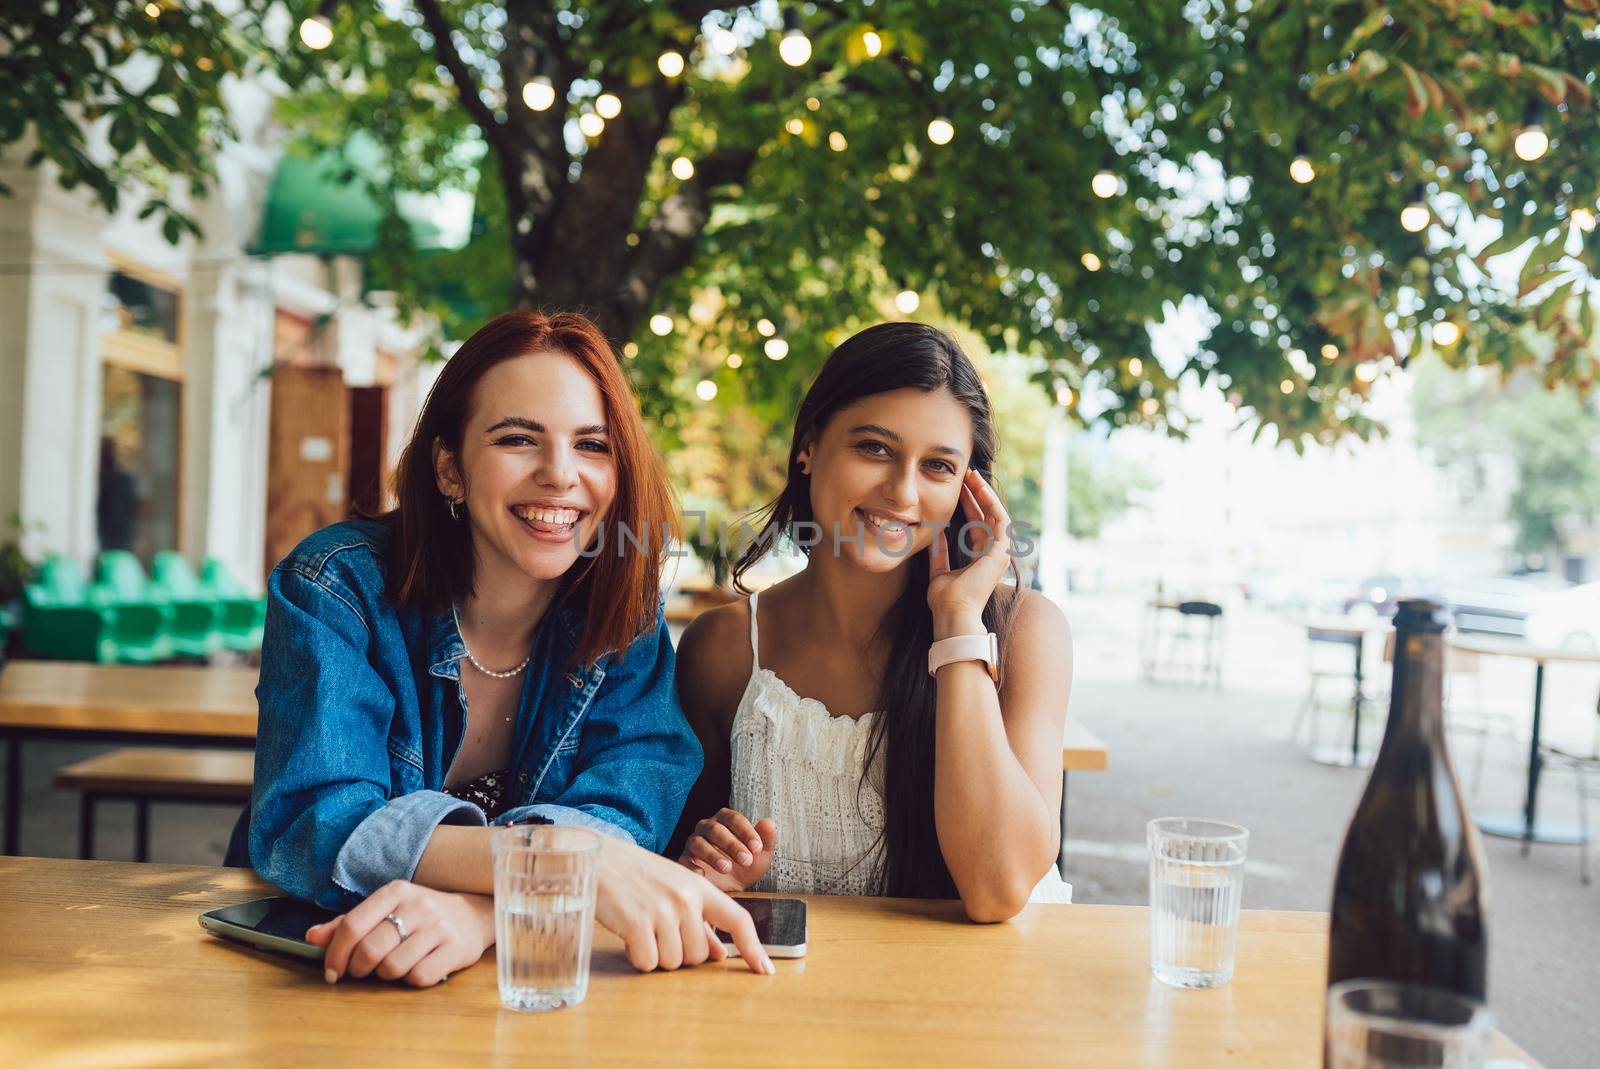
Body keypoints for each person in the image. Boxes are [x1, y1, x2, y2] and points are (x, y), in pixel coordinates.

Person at [233, 310, 771, 987]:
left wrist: (480, 914)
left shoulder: (623, 611)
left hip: (521, 985)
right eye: (519, 439)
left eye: (592, 445)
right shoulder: (337, 584)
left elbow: (630, 807)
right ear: (450, 467)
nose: (559, 473)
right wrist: (569, 858)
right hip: (316, 967)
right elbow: (317, 821)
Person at [673, 322, 1074, 921]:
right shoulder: (725, 649)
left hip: (1001, 1002)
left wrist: (959, 623)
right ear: (809, 446)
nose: (902, 491)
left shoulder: (1024, 634)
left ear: (970, 491)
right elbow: (684, 873)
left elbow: (998, 889)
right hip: (801, 1002)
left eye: (938, 466)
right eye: (875, 448)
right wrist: (717, 867)